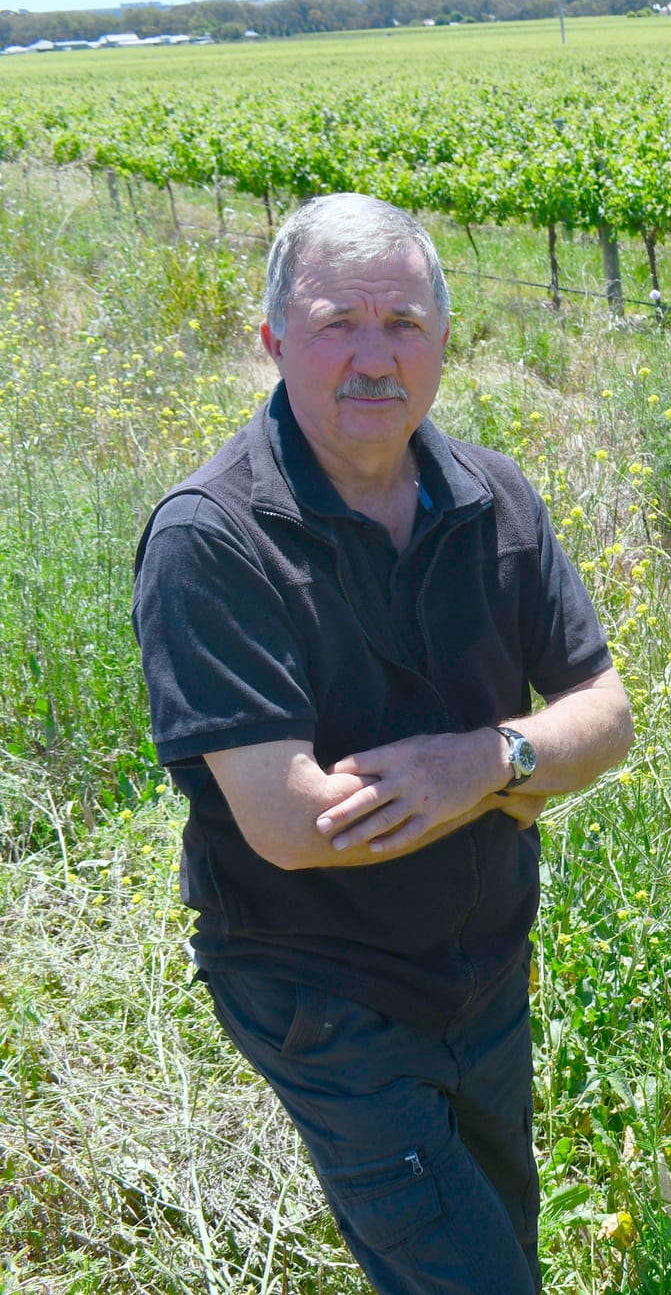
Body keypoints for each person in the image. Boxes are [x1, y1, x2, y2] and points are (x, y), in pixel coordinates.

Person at [132, 193, 633, 1293]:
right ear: (271, 341)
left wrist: (481, 763)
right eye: (336, 323)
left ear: (446, 341)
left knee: (507, 1249)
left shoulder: (494, 499)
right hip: (327, 996)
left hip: (488, 967)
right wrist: (526, 765)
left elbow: (606, 713)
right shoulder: (211, 540)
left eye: (403, 323)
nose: (374, 358)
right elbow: (295, 824)